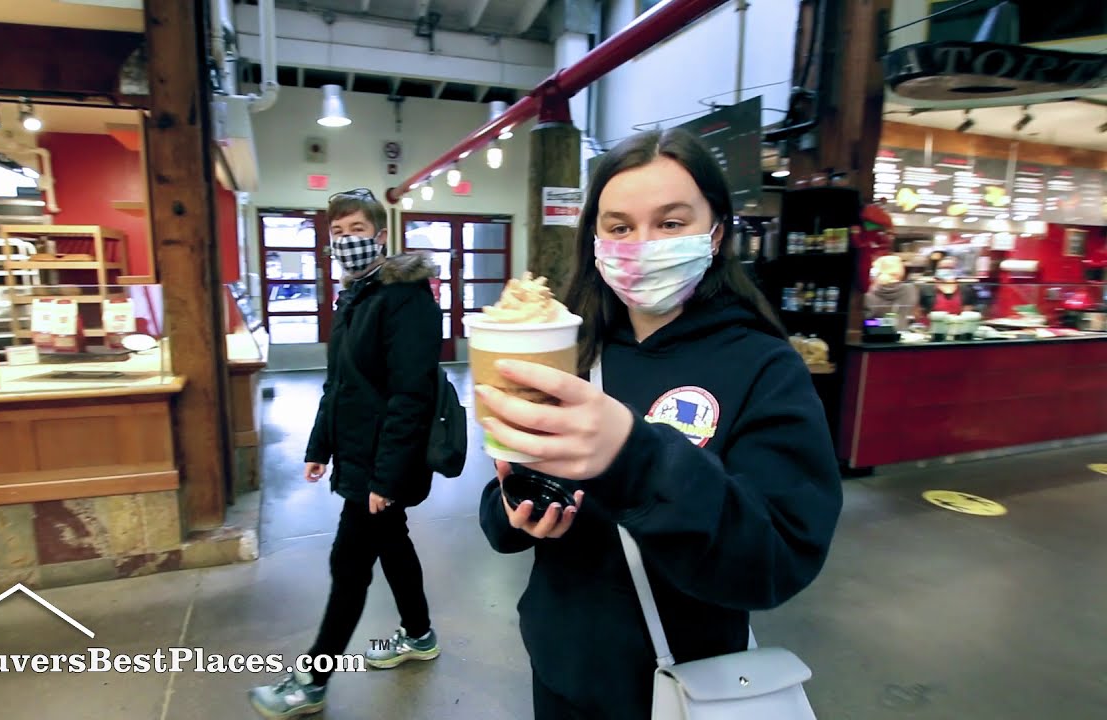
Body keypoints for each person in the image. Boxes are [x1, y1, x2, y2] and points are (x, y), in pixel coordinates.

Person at [475, 127, 843, 719]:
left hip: (680, 687)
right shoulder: (574, 353)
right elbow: (501, 507)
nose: (641, 245)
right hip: (560, 671)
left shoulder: (764, 365)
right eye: (619, 227)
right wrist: (518, 510)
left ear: (716, 231)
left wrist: (634, 458)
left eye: (671, 224)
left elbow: (779, 557)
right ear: (593, 237)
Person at [250, 188, 443, 719]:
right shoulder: (355, 294)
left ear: (380, 235)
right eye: (336, 233)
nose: (346, 241)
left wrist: (385, 478)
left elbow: (411, 395)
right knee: (392, 542)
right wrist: (320, 445)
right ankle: (420, 634)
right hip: (358, 452)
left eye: (356, 230)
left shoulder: (405, 298)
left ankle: (312, 682)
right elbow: (340, 383)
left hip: (383, 460)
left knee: (348, 563)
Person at [864, 254, 919, 329]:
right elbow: (912, 315)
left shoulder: (870, 292)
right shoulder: (910, 289)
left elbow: (866, 322)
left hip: (875, 336)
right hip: (901, 335)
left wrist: (883, 322)